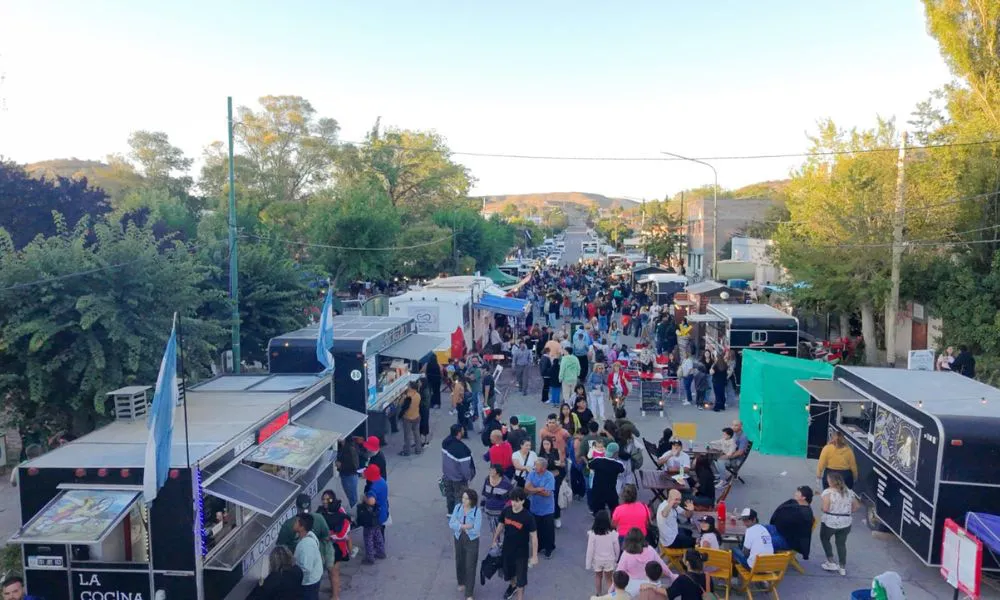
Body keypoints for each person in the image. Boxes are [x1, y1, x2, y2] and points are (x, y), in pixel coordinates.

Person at [491, 487, 539, 600]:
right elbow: (500, 525)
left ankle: (520, 597)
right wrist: (494, 540)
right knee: (509, 573)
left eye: (517, 501)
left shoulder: (528, 517)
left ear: (522, 501)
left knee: (521, 579)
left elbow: (534, 536)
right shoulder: (506, 511)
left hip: (521, 553)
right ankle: (513, 587)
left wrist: (535, 556)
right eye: (512, 500)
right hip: (507, 549)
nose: (514, 503)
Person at [276, 494, 333, 581]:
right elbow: (280, 548)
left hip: (309, 566)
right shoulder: (289, 526)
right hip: (301, 566)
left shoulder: (289, 525)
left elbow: (326, 538)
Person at [820, 472, 860, 576]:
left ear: (831, 482)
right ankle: (842, 567)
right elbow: (856, 506)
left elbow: (825, 508)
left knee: (825, 539)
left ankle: (831, 561)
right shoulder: (849, 492)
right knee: (841, 544)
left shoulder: (827, 493)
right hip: (845, 522)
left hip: (830, 521)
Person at [316, 490, 351, 599]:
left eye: (328, 499)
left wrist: (330, 536)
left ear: (332, 499)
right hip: (325, 547)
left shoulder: (340, 511)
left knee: (334, 572)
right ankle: (334, 589)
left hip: (336, 548)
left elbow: (344, 532)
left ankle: (335, 596)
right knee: (330, 571)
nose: (325, 501)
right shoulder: (321, 511)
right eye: (323, 499)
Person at [449, 488, 483, 600]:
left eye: (467, 498)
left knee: (470, 565)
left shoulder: (476, 511)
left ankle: (469, 593)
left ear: (472, 500)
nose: (464, 500)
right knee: (459, 560)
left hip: (472, 540)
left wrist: (460, 526)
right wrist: (466, 526)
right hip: (458, 537)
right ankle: (461, 582)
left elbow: (476, 529)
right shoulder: (458, 507)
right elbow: (451, 523)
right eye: (463, 498)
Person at [769, 485, 815, 559]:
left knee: (762, 542)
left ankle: (763, 561)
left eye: (798, 492)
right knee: (758, 529)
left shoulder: (804, 514)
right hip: (783, 532)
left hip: (788, 540)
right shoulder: (800, 506)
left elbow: (791, 529)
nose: (795, 493)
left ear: (803, 497)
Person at [525, 457, 557, 557]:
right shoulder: (532, 474)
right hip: (534, 507)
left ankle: (549, 549)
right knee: (537, 528)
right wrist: (539, 489)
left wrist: (533, 490)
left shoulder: (549, 476)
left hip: (547, 509)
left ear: (543, 468)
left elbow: (547, 493)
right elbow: (526, 489)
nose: (534, 467)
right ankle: (539, 546)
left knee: (548, 529)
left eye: (537, 465)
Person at [442, 423, 476, 515]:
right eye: (462, 430)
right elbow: (465, 468)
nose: (464, 431)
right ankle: (458, 515)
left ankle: (450, 512)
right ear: (459, 433)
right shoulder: (462, 450)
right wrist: (468, 477)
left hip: (447, 474)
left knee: (449, 495)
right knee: (460, 497)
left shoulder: (445, 442)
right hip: (458, 478)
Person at [586, 509, 620, 597]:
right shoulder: (612, 533)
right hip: (609, 559)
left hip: (597, 560)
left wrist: (588, 563)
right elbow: (617, 547)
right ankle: (612, 596)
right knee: (609, 579)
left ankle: (598, 594)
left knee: (598, 577)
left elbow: (590, 550)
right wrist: (616, 558)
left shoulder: (592, 534)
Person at [292, 514, 324, 600]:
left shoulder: (306, 545)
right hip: (312, 579)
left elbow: (306, 568)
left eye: (296, 522)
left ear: (301, 527)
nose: (293, 523)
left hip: (308, 583)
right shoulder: (308, 536)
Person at [589, 441, 625, 515]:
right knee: (614, 510)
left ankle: (598, 524)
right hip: (610, 492)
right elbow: (622, 471)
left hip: (597, 491)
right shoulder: (618, 465)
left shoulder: (597, 460)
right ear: (616, 453)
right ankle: (613, 525)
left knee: (598, 512)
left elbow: (590, 465)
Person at [538, 437, 566, 529]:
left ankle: (557, 517)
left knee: (555, 497)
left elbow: (562, 465)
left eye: (548, 444)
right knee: (545, 498)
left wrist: (560, 464)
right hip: (545, 478)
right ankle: (547, 518)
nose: (546, 446)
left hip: (556, 478)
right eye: (544, 444)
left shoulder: (555, 451)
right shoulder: (541, 454)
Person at [482, 463, 515, 540]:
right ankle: (497, 544)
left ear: (498, 473)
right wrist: (482, 506)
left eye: (492, 471)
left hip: (500, 512)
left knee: (501, 530)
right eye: (490, 470)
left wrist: (507, 510)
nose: (490, 472)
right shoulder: (487, 479)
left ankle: (500, 544)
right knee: (493, 529)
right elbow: (484, 494)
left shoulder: (506, 483)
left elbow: (511, 499)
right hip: (489, 511)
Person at [335, 437, 360, 511]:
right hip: (345, 474)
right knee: (350, 495)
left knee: (352, 497)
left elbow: (354, 465)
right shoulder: (341, 446)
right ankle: (355, 510)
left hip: (349, 475)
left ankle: (356, 513)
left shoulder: (350, 448)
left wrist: (341, 465)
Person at [399, 380, 423, 456]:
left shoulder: (407, 397)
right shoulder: (418, 395)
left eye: (408, 386)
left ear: (411, 388)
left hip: (407, 418)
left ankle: (407, 451)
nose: (407, 387)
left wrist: (403, 396)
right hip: (416, 416)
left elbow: (400, 404)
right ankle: (418, 449)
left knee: (407, 435)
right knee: (416, 433)